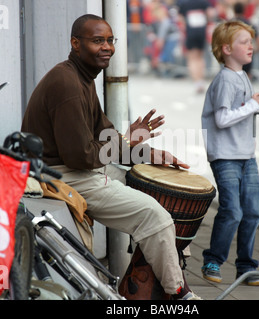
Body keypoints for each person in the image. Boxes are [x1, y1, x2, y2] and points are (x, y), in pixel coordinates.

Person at [21, 14, 200, 300]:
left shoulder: (82, 76)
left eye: (109, 40)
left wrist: (150, 155)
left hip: (75, 170)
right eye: (97, 41)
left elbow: (104, 137)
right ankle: (178, 294)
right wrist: (126, 143)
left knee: (157, 190)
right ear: (75, 43)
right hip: (61, 176)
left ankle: (148, 279)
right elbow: (81, 155)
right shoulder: (67, 84)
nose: (107, 47)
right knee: (157, 217)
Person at [200, 20, 259, 285]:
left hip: (245, 155)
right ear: (226, 49)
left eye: (251, 41)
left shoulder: (241, 75)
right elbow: (223, 119)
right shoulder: (226, 79)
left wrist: (251, 105)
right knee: (233, 211)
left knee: (252, 211)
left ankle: (246, 267)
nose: (251, 46)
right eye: (244, 42)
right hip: (226, 156)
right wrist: (252, 105)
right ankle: (213, 260)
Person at [177, 0, 213, 93]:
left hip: (190, 32)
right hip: (201, 32)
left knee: (192, 58)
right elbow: (210, 13)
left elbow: (180, 18)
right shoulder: (203, 2)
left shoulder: (184, 3)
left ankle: (197, 82)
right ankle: (201, 80)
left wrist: (185, 26)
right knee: (200, 57)